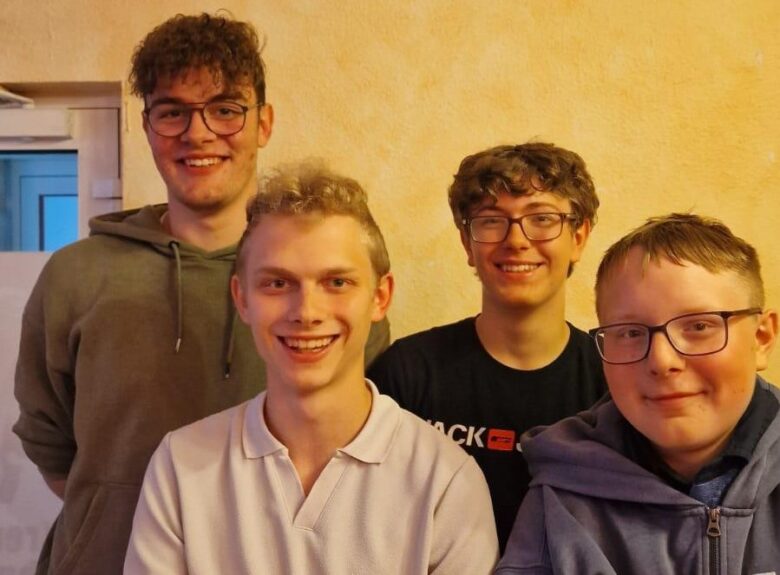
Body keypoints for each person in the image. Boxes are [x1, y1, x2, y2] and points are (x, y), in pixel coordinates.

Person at [12, 13, 388, 575]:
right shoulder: (75, 275)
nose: (198, 133)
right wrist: (120, 514)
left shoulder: (330, 288)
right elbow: (50, 444)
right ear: (147, 127)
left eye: (225, 109)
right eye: (173, 112)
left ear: (263, 123)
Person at [123, 163, 499, 574]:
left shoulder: (445, 480)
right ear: (242, 298)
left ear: (380, 297)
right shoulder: (180, 465)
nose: (306, 312)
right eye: (277, 283)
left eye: (337, 283)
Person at [497, 213, 779, 574]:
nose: (662, 361)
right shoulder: (560, 503)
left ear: (761, 339)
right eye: (630, 332)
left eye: (699, 326)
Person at [368, 142, 607, 550]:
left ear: (579, 237)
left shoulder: (613, 380)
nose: (516, 240)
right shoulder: (406, 374)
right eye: (492, 221)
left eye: (542, 218)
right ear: (467, 242)